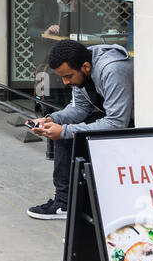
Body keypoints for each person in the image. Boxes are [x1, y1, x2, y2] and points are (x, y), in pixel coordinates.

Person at [27, 38, 133, 220]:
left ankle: (66, 203)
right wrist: (51, 119)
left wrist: (64, 131)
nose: (66, 82)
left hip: (135, 124)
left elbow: (117, 123)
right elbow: (79, 109)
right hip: (114, 118)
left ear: (85, 67)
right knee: (64, 134)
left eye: (68, 76)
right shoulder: (82, 68)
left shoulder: (112, 69)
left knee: (67, 135)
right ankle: (65, 202)